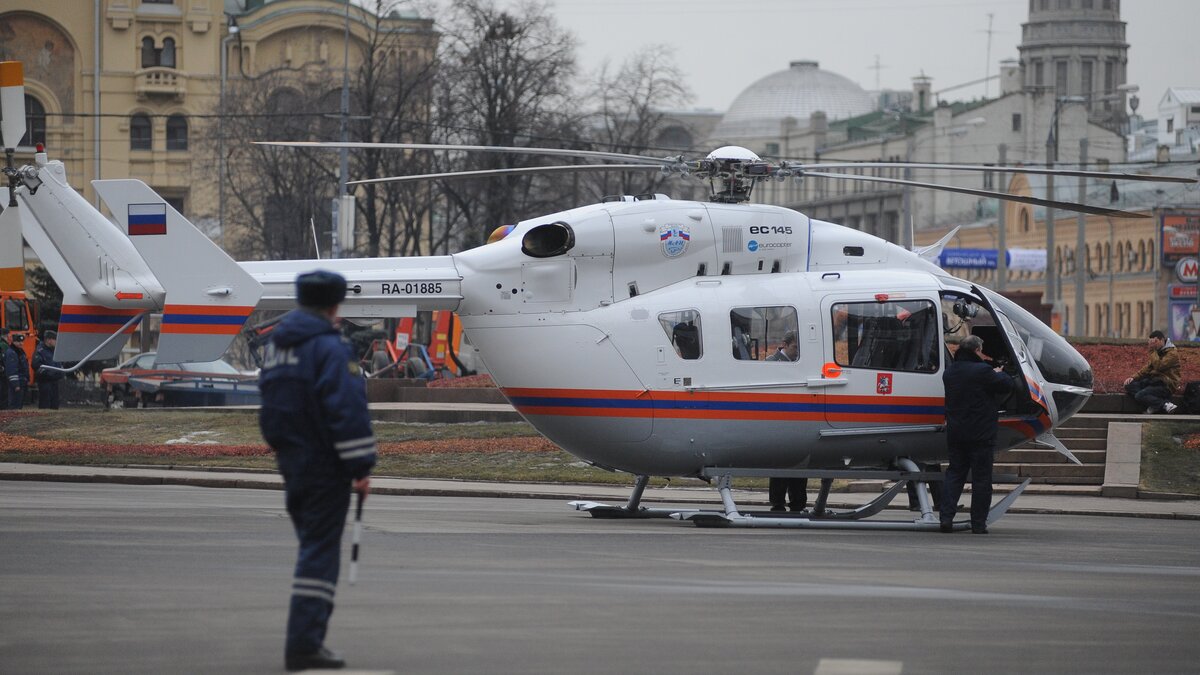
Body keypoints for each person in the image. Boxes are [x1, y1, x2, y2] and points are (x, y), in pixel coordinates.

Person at [258, 270, 377, 672]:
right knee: (319, 554)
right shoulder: (329, 348)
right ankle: (305, 644)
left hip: (292, 461)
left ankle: (307, 640)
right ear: (334, 305)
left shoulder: (278, 346)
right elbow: (346, 409)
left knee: (312, 546)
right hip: (325, 465)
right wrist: (361, 467)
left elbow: (271, 405)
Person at [940, 335, 1013, 534]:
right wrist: (999, 372)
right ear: (976, 350)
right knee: (981, 480)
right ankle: (978, 524)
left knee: (955, 474)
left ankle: (946, 518)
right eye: (981, 351)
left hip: (956, 433)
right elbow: (1007, 384)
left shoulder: (950, 372)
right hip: (981, 434)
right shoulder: (983, 371)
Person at [765, 331, 808, 512]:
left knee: (801, 464)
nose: (797, 352)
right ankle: (778, 503)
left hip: (800, 419)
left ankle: (798, 503)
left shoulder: (802, 364)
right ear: (785, 344)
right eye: (795, 347)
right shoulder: (771, 363)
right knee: (780, 465)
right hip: (780, 420)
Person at [1123, 330, 1180, 414]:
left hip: (1166, 384)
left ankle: (1164, 404)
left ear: (1162, 340)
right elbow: (1148, 368)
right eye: (1152, 342)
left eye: (1155, 341)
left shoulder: (1172, 353)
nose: (1154, 344)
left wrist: (1152, 351)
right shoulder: (1157, 351)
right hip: (1154, 381)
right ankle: (1156, 404)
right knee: (1129, 385)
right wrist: (1133, 377)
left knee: (1139, 395)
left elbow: (1159, 366)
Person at [33, 331, 64, 409]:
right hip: (45, 383)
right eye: (55, 340)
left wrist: (60, 373)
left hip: (54, 382)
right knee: (45, 405)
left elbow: (59, 364)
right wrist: (50, 374)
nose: (56, 342)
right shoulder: (40, 351)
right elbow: (37, 366)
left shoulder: (53, 351)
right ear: (49, 340)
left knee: (54, 404)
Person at [3, 329, 27, 409]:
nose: (21, 343)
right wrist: (16, 385)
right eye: (18, 341)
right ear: (13, 342)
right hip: (16, 384)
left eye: (22, 341)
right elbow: (12, 370)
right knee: (14, 405)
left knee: (19, 405)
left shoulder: (19, 351)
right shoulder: (12, 352)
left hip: (21, 381)